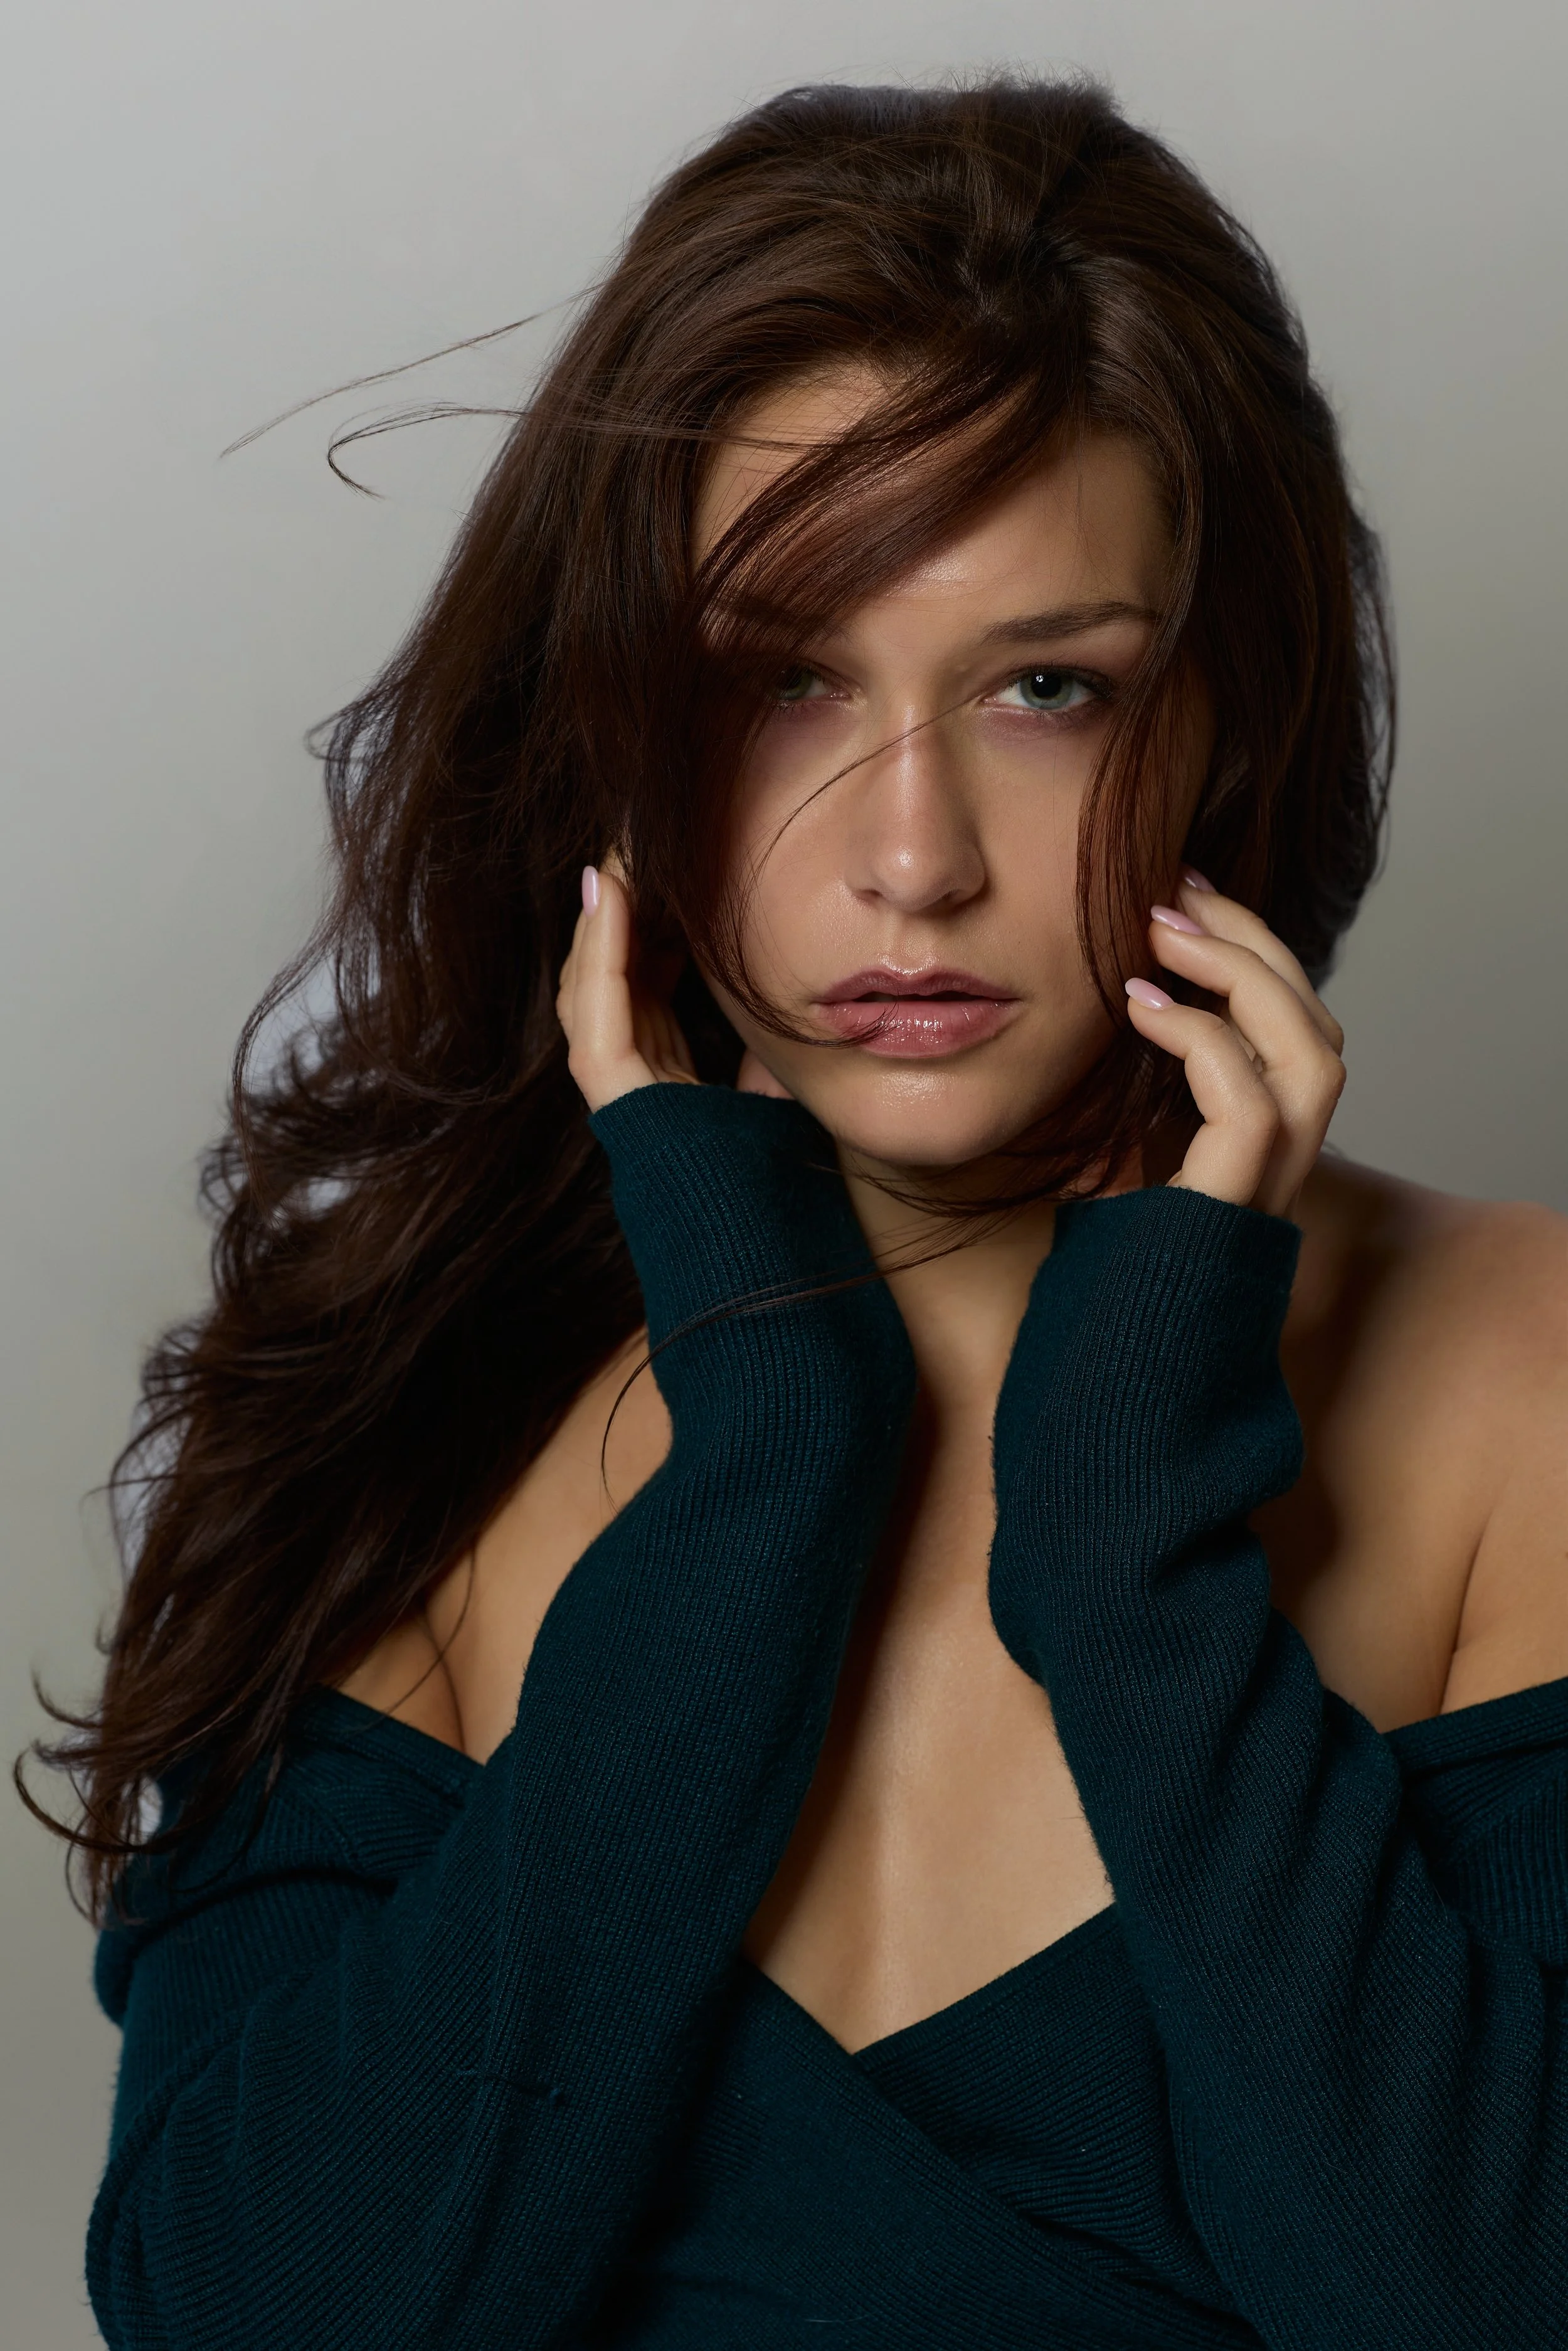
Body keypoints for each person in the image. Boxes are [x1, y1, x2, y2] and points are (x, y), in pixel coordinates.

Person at [29, 77, 1567, 2350]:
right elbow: (246, 2311)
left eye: (1049, 689)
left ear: (1232, 718)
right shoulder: (402, 1392)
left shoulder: (1521, 1380)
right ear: (615, 724)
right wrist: (762, 1480)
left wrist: (1131, 1551)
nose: (912, 854)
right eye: (781, 684)